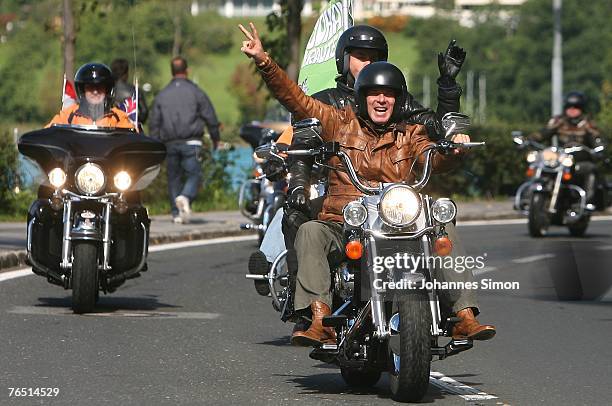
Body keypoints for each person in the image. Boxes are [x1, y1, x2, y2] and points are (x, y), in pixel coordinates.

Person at [239, 22, 495, 346]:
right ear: (361, 96)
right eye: (374, 93)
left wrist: (454, 147)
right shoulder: (337, 121)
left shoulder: (410, 133)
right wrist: (264, 60)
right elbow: (297, 101)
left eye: (389, 94)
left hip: (398, 220)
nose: (381, 100)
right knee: (308, 230)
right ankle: (319, 318)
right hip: (345, 221)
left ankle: (464, 316)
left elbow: (435, 155)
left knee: (442, 224)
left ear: (399, 100)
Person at [149, 56, 221, 224]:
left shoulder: (162, 95)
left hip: (170, 143)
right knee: (194, 174)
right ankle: (185, 196)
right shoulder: (196, 92)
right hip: (192, 142)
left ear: (172, 72)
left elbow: (154, 123)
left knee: (173, 177)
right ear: (187, 71)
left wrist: (155, 144)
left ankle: (176, 214)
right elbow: (210, 116)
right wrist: (215, 137)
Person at [532, 91, 606, 205]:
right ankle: (530, 197)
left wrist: (599, 147)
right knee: (539, 165)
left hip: (580, 160)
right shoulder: (559, 121)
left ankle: (587, 202)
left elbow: (597, 138)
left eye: (576, 107)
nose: (572, 109)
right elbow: (544, 133)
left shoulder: (588, 123)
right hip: (562, 158)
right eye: (569, 107)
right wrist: (529, 140)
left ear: (581, 108)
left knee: (591, 169)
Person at [47, 63, 134, 129]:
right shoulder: (68, 115)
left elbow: (132, 139)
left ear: (107, 90)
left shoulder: (119, 117)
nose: (95, 92)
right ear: (82, 90)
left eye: (100, 87)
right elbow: (48, 134)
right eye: (90, 88)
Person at [110, 58, 149, 125]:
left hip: (111, 128)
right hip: (130, 129)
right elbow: (144, 112)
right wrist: (133, 120)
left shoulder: (107, 90)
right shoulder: (135, 91)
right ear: (126, 73)